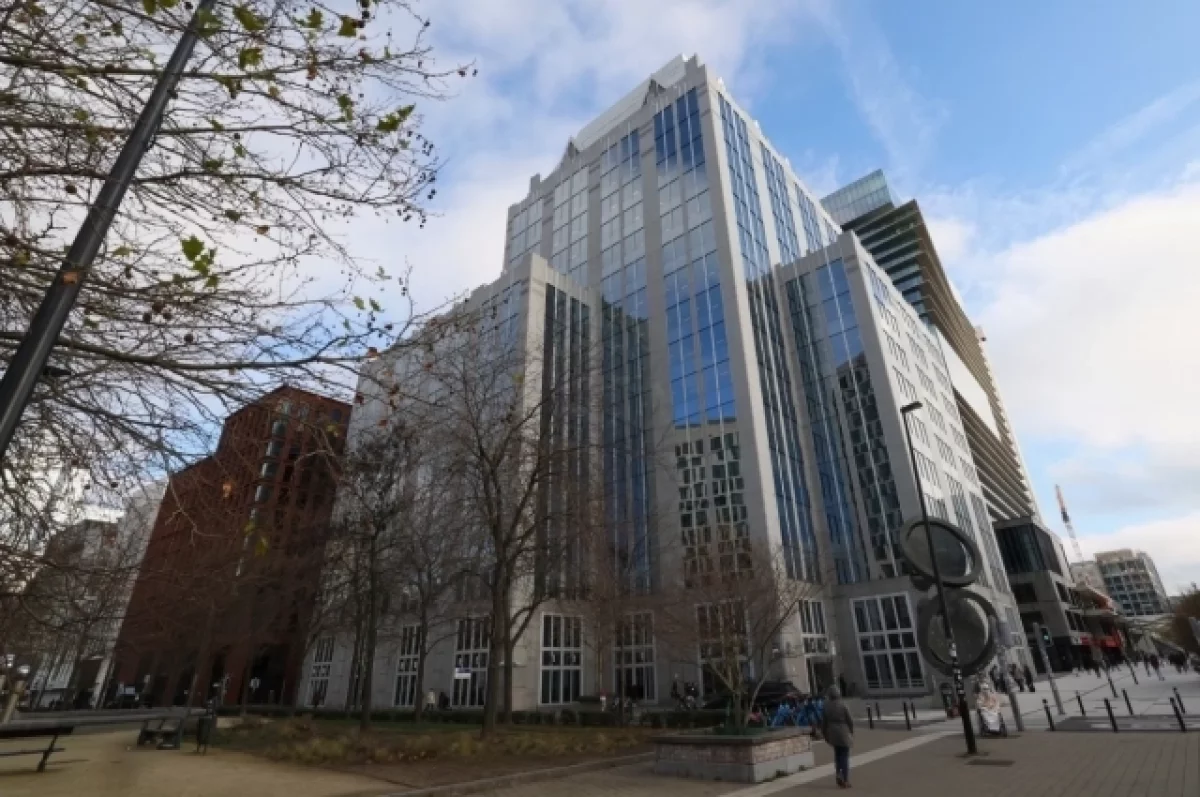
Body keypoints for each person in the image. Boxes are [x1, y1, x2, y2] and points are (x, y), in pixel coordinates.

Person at [821, 686, 855, 789]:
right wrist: (851, 731)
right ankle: (845, 779)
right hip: (843, 731)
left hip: (832, 732)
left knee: (837, 755)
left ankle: (838, 774)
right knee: (844, 756)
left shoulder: (826, 706)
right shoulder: (843, 705)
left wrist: (825, 734)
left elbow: (824, 723)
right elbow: (850, 720)